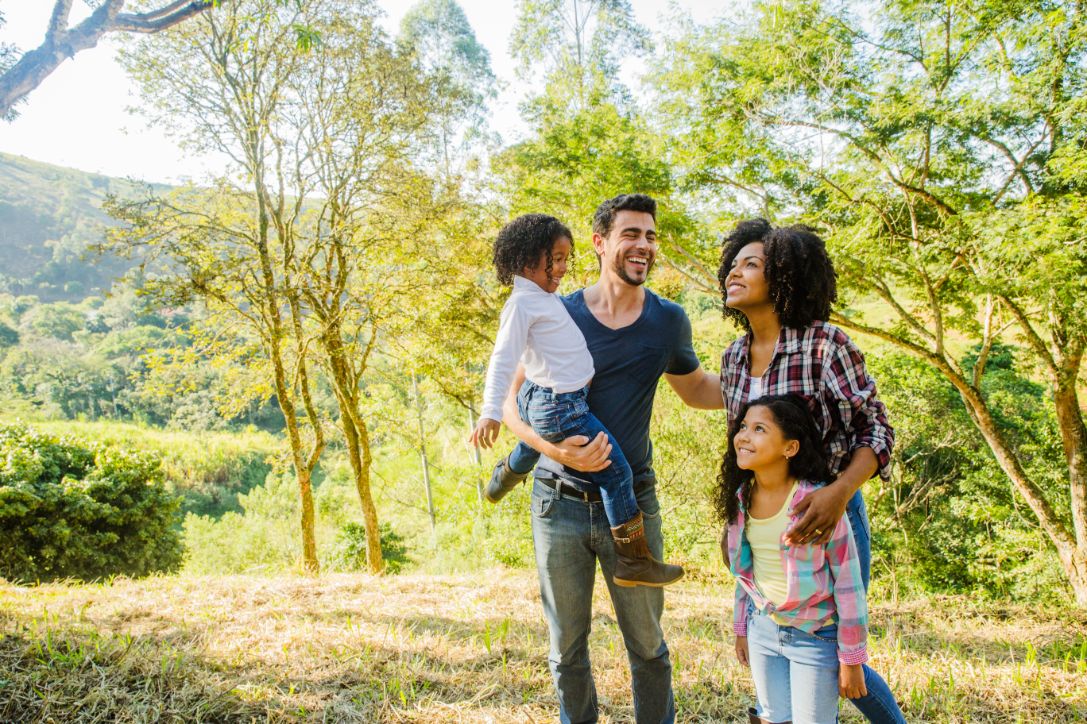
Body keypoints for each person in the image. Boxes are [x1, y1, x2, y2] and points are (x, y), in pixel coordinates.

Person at [496, 194, 724, 723]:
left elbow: (696, 390)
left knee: (647, 646)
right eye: (631, 234)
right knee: (567, 649)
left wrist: (764, 380)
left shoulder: (668, 321)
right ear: (600, 243)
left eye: (650, 236)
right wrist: (551, 448)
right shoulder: (557, 309)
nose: (643, 245)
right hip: (560, 502)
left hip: (633, 502)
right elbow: (512, 402)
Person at [718, 219, 907, 723]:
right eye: (733, 263)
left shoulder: (825, 346)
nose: (734, 271)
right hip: (760, 519)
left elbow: (877, 432)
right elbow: (743, 450)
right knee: (772, 630)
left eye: (751, 264)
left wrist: (839, 494)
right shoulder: (733, 359)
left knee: (829, 644)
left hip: (827, 516)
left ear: (783, 277)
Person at [470, 213, 683, 587]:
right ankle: (634, 560)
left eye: (566, 259)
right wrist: (490, 412)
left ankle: (507, 474)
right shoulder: (522, 305)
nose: (564, 268)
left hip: (548, 398)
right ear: (527, 260)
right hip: (559, 403)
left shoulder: (542, 298)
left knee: (541, 433)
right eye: (556, 259)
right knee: (617, 473)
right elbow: (503, 359)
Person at [721, 394, 869, 724]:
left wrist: (852, 659)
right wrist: (741, 628)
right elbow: (746, 573)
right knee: (771, 717)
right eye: (743, 426)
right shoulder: (742, 499)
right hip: (763, 630)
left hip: (814, 636)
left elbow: (848, 586)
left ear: (790, 447)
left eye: (759, 428)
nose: (743, 435)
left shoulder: (817, 504)